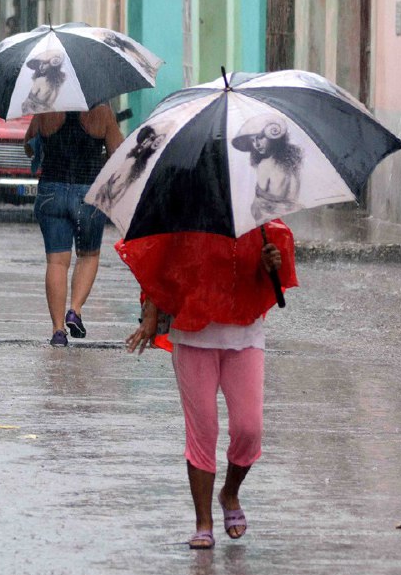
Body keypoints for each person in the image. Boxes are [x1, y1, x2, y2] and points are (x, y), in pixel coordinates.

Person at [124, 226, 295, 550]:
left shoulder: (258, 214)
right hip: (193, 334)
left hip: (245, 333)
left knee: (249, 429)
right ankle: (204, 523)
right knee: (202, 431)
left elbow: (277, 262)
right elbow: (158, 262)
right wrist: (150, 311)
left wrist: (271, 262)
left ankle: (230, 492)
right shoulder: (185, 210)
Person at [23, 105, 124, 346]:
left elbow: (28, 147)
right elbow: (117, 154)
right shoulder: (102, 111)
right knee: (88, 255)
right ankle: (75, 310)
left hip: (51, 191)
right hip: (88, 193)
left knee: (57, 261)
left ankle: (58, 331)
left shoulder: (45, 109)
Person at [232, 113, 304, 222]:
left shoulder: (264, 164)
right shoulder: (294, 164)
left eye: (260, 137)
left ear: (274, 138)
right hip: (292, 221)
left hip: (272, 226)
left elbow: (258, 209)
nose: (256, 144)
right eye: (252, 140)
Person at [93, 124, 165, 208]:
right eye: (150, 139)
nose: (153, 141)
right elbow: (114, 191)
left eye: (153, 138)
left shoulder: (140, 162)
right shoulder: (133, 163)